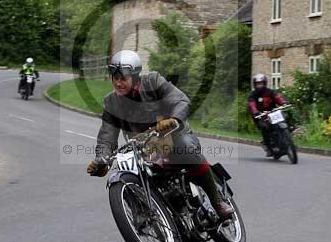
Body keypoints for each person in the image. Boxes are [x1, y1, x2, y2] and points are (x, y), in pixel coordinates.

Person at [86, 50, 234, 220]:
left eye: (123, 79)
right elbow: (107, 135)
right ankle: (141, 216)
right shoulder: (111, 102)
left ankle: (217, 201)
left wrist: (173, 118)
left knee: (187, 151)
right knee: (123, 173)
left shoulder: (153, 82)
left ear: (134, 77)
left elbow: (179, 100)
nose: (118, 83)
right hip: (144, 148)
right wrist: (101, 160)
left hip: (173, 136)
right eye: (115, 78)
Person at [247, 73, 287, 156]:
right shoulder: (253, 95)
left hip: (272, 112)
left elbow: (277, 97)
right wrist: (255, 112)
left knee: (283, 120)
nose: (259, 86)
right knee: (264, 127)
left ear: (264, 83)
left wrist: (283, 103)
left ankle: (287, 137)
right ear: (254, 84)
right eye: (257, 84)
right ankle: (269, 147)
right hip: (260, 115)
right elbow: (251, 104)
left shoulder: (270, 92)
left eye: (261, 83)